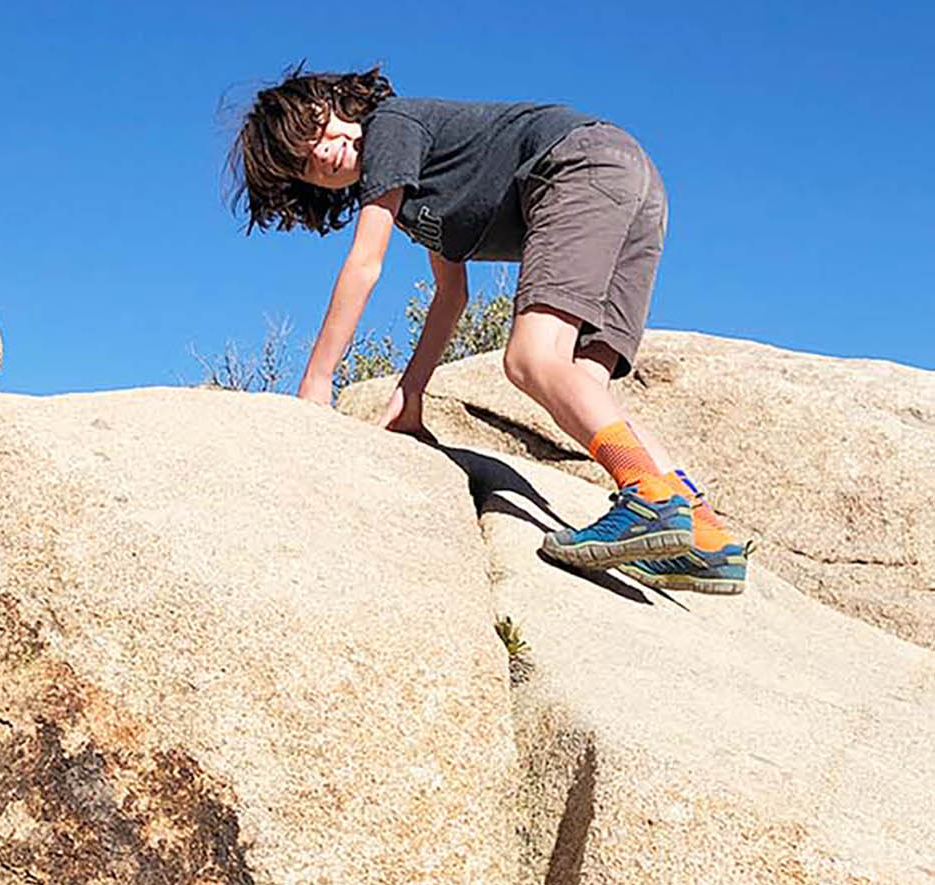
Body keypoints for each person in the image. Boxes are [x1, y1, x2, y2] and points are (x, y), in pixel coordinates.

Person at [227, 64, 748, 595]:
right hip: (629, 181)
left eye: (316, 128)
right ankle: (705, 535)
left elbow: (365, 264)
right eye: (305, 163)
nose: (322, 151)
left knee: (530, 359)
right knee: (580, 383)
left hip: (578, 165)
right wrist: (411, 395)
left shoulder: (389, 127)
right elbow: (452, 295)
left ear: (341, 103)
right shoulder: (415, 194)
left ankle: (649, 496)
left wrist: (316, 384)